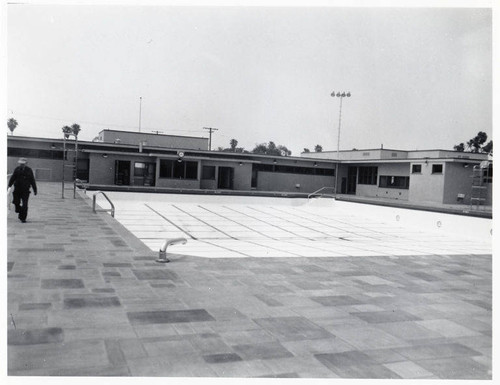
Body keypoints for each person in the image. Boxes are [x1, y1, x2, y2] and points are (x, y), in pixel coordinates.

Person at [8, 158, 37, 223]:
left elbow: (32, 180)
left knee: (25, 205)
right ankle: (20, 212)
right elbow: (13, 178)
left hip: (25, 190)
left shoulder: (29, 170)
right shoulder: (17, 169)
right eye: (21, 164)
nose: (21, 165)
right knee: (16, 203)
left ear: (26, 164)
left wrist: (35, 189)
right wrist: (9, 186)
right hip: (17, 190)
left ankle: (23, 218)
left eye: (23, 164)